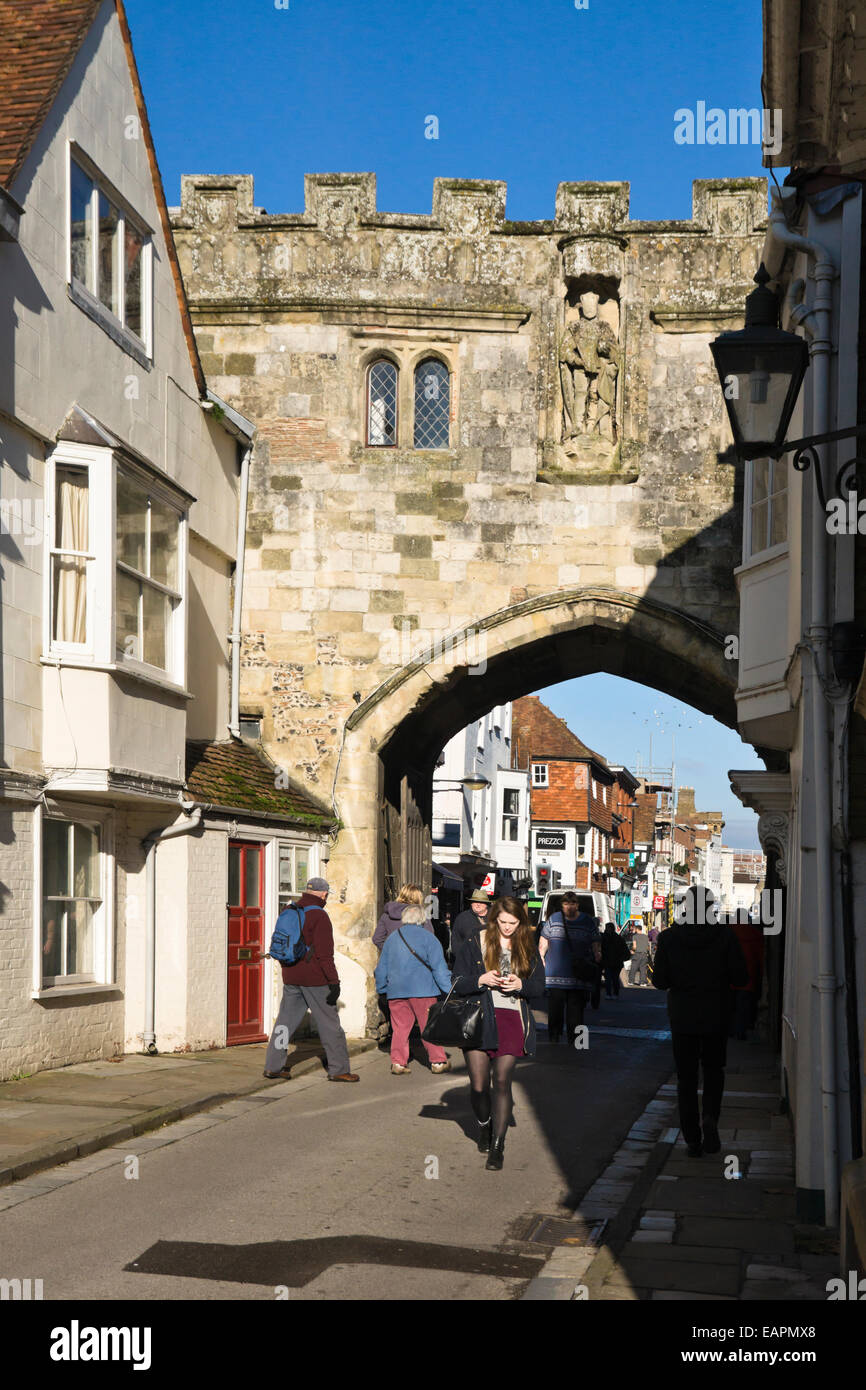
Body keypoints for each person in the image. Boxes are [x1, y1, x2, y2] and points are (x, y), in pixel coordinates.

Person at [651, 885, 748, 1156]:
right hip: (716, 1014)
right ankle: (711, 1119)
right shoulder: (726, 936)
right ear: (709, 907)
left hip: (683, 1016)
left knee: (686, 1078)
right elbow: (741, 978)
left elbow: (659, 981)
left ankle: (692, 1138)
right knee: (714, 1071)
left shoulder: (669, 938)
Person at [451, 896, 546, 1170]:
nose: (507, 928)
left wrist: (521, 984)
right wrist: (480, 980)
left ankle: (497, 1146)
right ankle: (484, 1125)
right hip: (480, 1017)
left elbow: (540, 987)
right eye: (503, 922)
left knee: (502, 1081)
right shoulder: (475, 941)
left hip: (511, 1019)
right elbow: (456, 982)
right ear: (494, 919)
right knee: (479, 1086)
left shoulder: (527, 945)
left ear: (521, 922)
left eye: (513, 923)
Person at [263, 877, 359, 1083]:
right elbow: (325, 955)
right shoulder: (319, 917)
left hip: (291, 976)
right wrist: (334, 982)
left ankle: (273, 1066)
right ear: (324, 894)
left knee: (284, 1023)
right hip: (316, 979)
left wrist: (288, 970)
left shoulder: (290, 910)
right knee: (330, 1024)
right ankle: (339, 1069)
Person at [374, 904, 453, 1075]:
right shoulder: (429, 938)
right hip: (423, 991)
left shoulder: (392, 938)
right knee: (428, 1026)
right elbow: (439, 968)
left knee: (400, 1028)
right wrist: (449, 989)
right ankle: (438, 1061)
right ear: (421, 919)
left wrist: (382, 988)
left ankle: (398, 1063)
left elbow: (381, 968)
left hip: (396, 990)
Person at [538, 892, 601, 1043]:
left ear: (577, 905)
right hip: (555, 975)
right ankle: (554, 1036)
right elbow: (543, 942)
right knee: (555, 1009)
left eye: (572, 904)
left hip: (579, 974)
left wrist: (597, 953)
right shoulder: (554, 919)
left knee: (577, 1010)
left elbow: (595, 941)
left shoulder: (586, 921)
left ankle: (578, 1040)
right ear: (562, 905)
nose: (569, 907)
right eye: (566, 904)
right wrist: (541, 958)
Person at [729, 908, 765, 1040]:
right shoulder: (755, 935)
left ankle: (730, 1030)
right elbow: (761, 958)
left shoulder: (727, 932)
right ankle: (740, 1031)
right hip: (748, 977)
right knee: (744, 1007)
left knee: (730, 1005)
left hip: (729, 977)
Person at [373, 883, 435, 951]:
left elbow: (377, 939)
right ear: (419, 898)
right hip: (414, 959)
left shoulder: (387, 915)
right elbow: (430, 940)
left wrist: (391, 952)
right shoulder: (422, 916)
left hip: (392, 959)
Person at [449, 889, 490, 957]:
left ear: (486, 904)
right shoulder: (462, 918)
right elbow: (456, 940)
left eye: (481, 902)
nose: (478, 904)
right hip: (468, 961)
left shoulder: (494, 917)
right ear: (471, 903)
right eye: (475, 901)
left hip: (490, 960)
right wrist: (461, 957)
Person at [601, 921, 630, 998]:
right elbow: (625, 950)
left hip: (608, 961)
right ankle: (615, 993)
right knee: (615, 978)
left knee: (609, 978)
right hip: (617, 962)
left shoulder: (603, 938)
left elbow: (601, 949)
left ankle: (609, 994)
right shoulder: (618, 938)